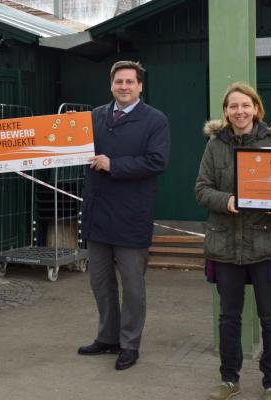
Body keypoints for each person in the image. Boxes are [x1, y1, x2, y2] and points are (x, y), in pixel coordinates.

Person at [195, 83, 271, 400]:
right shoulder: (214, 146)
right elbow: (202, 189)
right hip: (225, 245)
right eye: (233, 106)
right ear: (226, 111)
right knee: (228, 317)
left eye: (245, 105)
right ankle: (229, 379)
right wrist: (228, 200)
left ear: (256, 108)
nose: (239, 111)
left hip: (266, 243)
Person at [78, 60, 171, 371]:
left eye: (130, 82)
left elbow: (156, 161)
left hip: (132, 215)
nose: (124, 87)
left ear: (140, 86)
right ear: (111, 85)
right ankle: (107, 337)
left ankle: (129, 344)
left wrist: (113, 165)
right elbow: (71, 147)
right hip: (98, 214)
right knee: (100, 282)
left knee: (132, 287)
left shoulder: (155, 121)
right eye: (119, 81)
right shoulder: (94, 117)